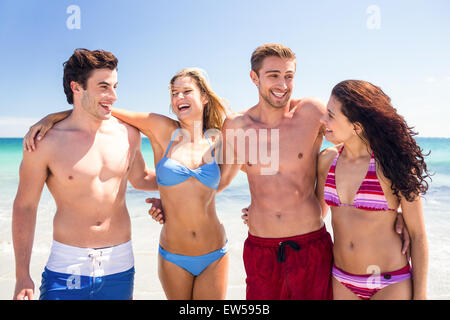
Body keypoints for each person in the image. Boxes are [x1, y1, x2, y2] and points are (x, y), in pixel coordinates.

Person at [216, 44, 410, 300]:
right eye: (274, 75)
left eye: (289, 76)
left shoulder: (310, 112)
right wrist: (173, 202)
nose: (283, 85)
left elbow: (359, 145)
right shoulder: (236, 126)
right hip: (261, 249)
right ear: (255, 77)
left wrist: (397, 209)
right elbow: (218, 177)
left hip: (310, 246)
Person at [23, 68, 230, 300]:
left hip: (215, 249)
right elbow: (100, 109)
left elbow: (249, 176)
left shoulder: (219, 139)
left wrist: (260, 209)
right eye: (174, 93)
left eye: (186, 91)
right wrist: (53, 117)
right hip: (174, 253)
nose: (179, 98)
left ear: (204, 97)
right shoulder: (161, 127)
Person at [13, 48, 159, 300]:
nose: (113, 96)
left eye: (115, 86)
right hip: (66, 265)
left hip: (120, 265)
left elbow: (142, 178)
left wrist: (193, 180)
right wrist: (22, 275)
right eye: (104, 86)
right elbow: (25, 206)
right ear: (76, 87)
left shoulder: (128, 134)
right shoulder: (45, 141)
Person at [316, 80, 429, 300]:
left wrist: (421, 296)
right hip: (341, 280)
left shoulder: (393, 166)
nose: (323, 120)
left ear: (356, 126)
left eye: (330, 115)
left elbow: (418, 235)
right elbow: (314, 213)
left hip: (390, 283)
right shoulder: (327, 160)